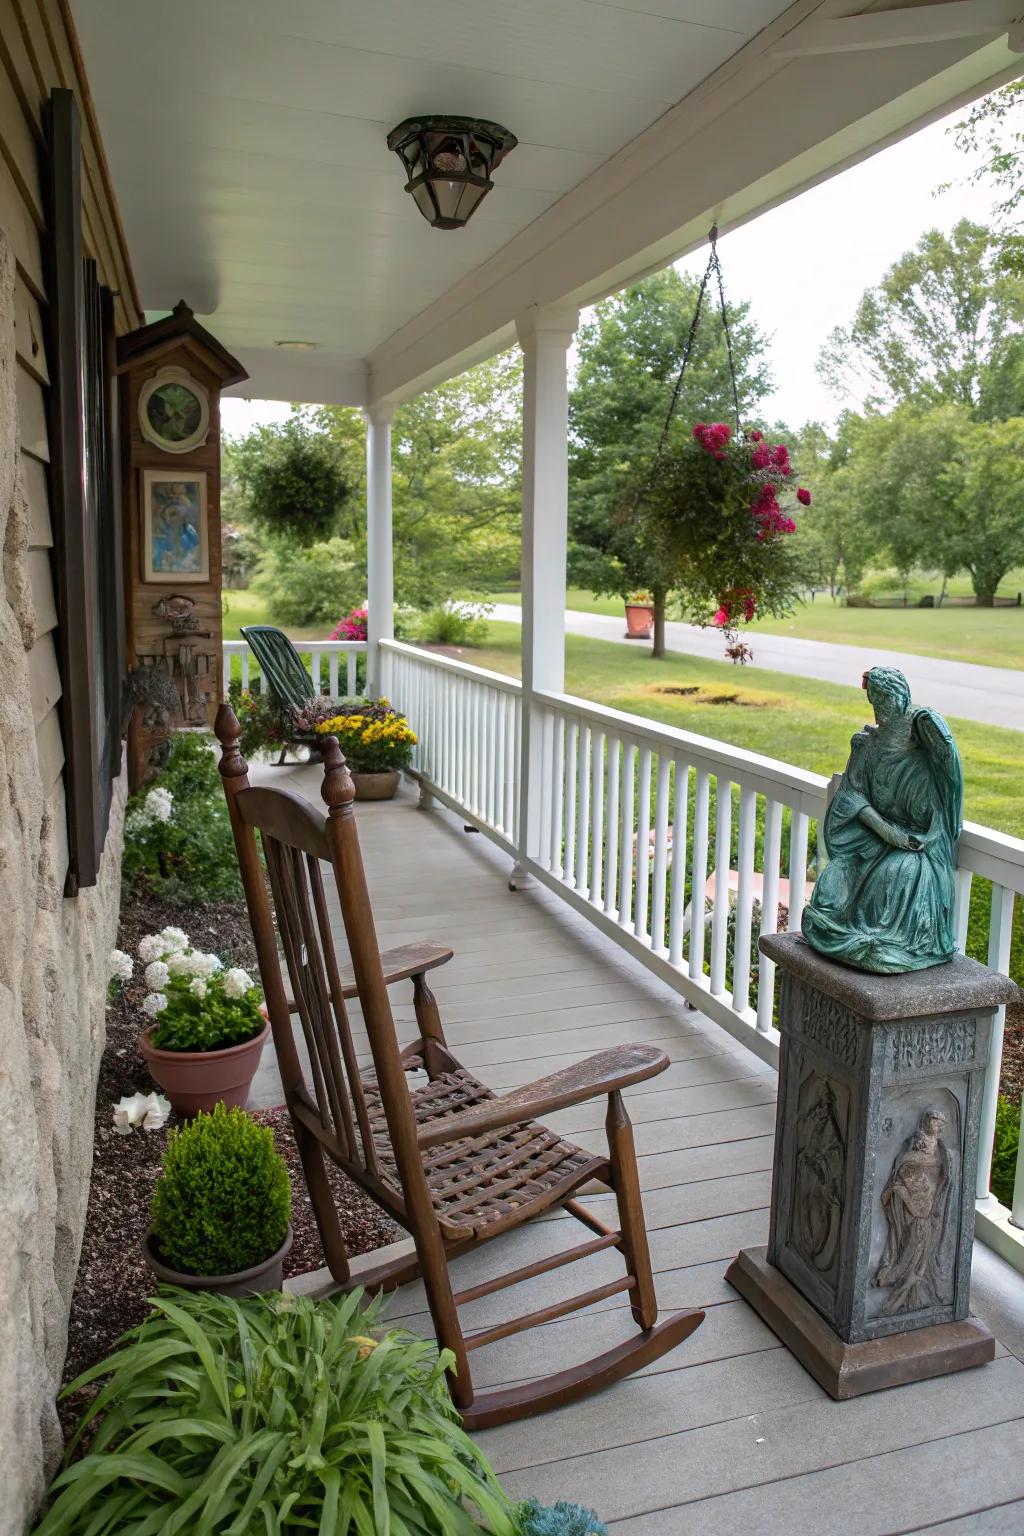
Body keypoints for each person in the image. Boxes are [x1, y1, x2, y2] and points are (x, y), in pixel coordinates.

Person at [801, 667, 962, 973]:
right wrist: (887, 832)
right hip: (872, 841)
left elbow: (947, 793)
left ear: (902, 698)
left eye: (886, 699)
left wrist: (906, 839)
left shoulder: (923, 732)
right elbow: (851, 797)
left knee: (895, 876)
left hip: (918, 848)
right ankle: (851, 935)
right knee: (829, 892)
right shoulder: (867, 744)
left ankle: (881, 943)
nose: (880, 708)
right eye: (875, 700)